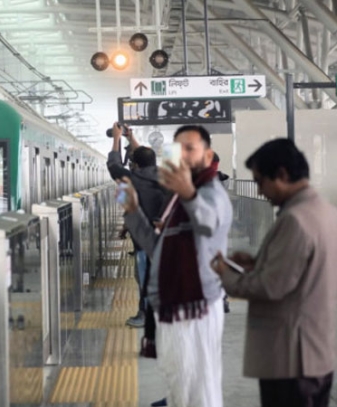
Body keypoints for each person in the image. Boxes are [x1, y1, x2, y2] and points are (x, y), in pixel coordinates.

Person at [212, 139, 337, 407]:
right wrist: (258, 263)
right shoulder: (326, 212)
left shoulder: (295, 220)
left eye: (260, 181)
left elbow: (270, 287)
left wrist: (225, 273)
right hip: (317, 351)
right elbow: (305, 270)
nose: (259, 190)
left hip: (291, 358)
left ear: (281, 174)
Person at [120, 125, 232, 407]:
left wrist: (190, 195)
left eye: (190, 149)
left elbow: (208, 224)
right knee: (180, 381)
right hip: (172, 305)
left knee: (199, 387)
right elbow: (156, 247)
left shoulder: (212, 193)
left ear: (207, 156)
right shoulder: (176, 200)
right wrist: (132, 212)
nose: (182, 156)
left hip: (196, 306)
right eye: (177, 149)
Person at [107, 123, 168, 331]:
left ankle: (145, 314)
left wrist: (116, 138)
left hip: (143, 240)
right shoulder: (166, 177)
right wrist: (131, 138)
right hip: (166, 237)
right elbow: (145, 158)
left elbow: (113, 165)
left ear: (135, 163)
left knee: (144, 276)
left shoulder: (131, 179)